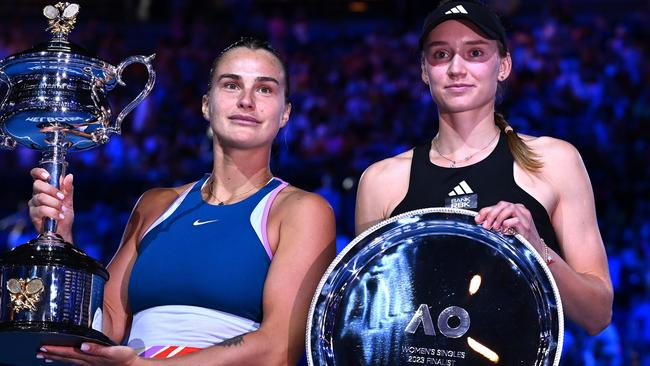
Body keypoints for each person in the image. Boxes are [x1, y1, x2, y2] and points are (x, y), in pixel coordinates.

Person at [29, 37, 336, 365]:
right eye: (231, 85)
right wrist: (60, 239)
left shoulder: (301, 212)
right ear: (206, 104)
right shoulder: (155, 205)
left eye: (265, 89)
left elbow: (278, 349)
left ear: (285, 114)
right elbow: (105, 328)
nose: (247, 100)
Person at [355, 0, 612, 336]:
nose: (456, 68)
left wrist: (536, 248)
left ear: (503, 65)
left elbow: (597, 313)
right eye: (441, 54)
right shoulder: (381, 181)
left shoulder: (554, 162)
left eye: (475, 53)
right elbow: (369, 324)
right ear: (424, 70)